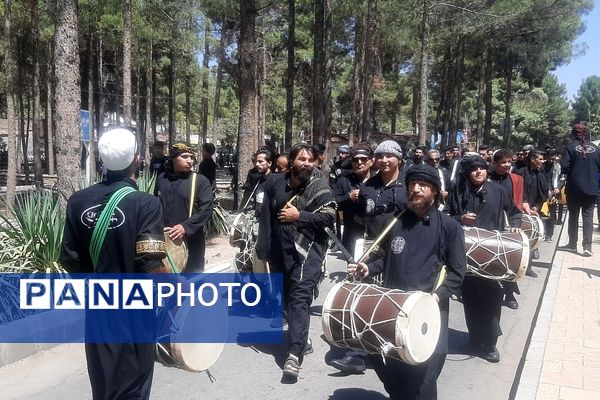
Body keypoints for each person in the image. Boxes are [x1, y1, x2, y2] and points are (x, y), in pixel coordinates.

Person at [60, 128, 167, 400]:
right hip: (135, 315)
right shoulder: (146, 204)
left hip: (97, 313)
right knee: (133, 388)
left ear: (100, 159)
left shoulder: (77, 202)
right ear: (137, 159)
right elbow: (151, 266)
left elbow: (70, 260)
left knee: (103, 386)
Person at [348, 164, 466, 400]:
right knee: (385, 358)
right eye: (412, 184)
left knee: (426, 370)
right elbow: (385, 258)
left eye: (423, 185)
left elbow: (457, 272)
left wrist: (436, 297)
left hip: (428, 309)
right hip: (393, 305)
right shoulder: (395, 221)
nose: (416, 189)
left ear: (434, 191)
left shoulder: (450, 227)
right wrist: (367, 268)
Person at [256, 143, 336, 380]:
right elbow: (266, 218)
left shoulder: (319, 186)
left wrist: (299, 215)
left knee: (299, 298)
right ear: (291, 162)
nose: (307, 163)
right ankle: (300, 337)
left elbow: (329, 217)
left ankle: (294, 355)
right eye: (301, 159)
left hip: (309, 251)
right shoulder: (274, 183)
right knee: (288, 296)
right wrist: (264, 248)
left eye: (311, 160)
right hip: (281, 251)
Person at [446, 155, 522, 363]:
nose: (479, 172)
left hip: (492, 255)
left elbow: (514, 211)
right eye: (474, 169)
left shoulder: (498, 191)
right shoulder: (458, 189)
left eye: (482, 168)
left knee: (491, 298)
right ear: (467, 172)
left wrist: (515, 224)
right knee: (470, 298)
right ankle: (474, 338)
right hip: (465, 254)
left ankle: (490, 344)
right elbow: (445, 216)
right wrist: (460, 218)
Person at [156, 143, 213, 272]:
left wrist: (185, 227)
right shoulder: (161, 179)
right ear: (173, 157)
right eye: (185, 156)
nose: (190, 161)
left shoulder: (200, 181)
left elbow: (206, 210)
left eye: (192, 157)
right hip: (165, 242)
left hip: (192, 242)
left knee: (192, 284)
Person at [489, 149, 528, 309]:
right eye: (503, 162)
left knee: (508, 260)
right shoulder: (487, 178)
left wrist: (516, 226)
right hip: (490, 224)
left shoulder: (516, 179)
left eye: (509, 162)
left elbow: (517, 204)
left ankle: (510, 293)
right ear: (495, 163)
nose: (507, 165)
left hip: (509, 225)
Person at [560, 123, 600, 256]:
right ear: (586, 133)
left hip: (574, 188)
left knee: (573, 217)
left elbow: (565, 167)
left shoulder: (570, 147)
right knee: (588, 217)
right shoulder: (596, 148)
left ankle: (572, 244)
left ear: (573, 134)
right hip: (592, 188)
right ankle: (587, 246)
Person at [332, 142, 374, 252]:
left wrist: (368, 195)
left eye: (363, 159)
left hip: (374, 236)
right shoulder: (344, 180)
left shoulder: (378, 181)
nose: (359, 163)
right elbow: (333, 203)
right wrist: (348, 197)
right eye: (355, 160)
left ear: (371, 161)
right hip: (352, 238)